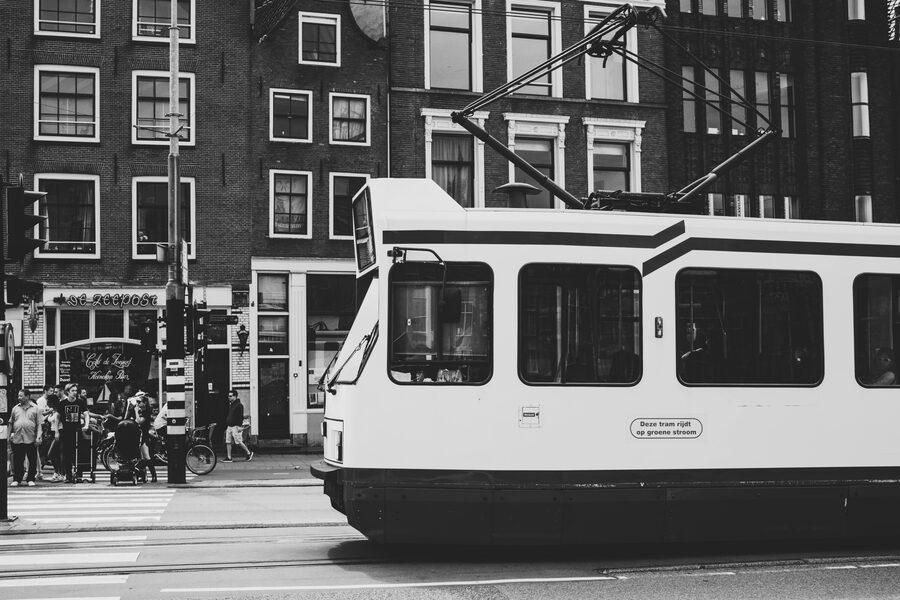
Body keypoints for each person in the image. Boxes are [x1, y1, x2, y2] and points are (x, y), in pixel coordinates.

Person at [9, 390, 42, 487]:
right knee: (18, 459)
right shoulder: (15, 408)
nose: (19, 398)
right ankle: (17, 479)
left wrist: (39, 436)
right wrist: (8, 436)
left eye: (21, 396)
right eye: (18, 396)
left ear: (27, 396)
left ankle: (31, 479)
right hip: (17, 438)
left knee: (32, 459)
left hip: (31, 437)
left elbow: (39, 424)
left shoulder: (36, 409)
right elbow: (11, 422)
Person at [59, 383, 88, 483]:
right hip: (66, 431)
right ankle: (68, 475)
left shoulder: (80, 402)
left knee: (79, 452)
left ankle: (79, 474)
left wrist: (86, 425)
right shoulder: (63, 403)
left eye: (76, 391)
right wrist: (57, 431)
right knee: (67, 453)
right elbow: (57, 417)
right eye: (73, 391)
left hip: (77, 430)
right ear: (68, 392)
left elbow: (86, 414)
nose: (75, 393)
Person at [224, 389, 252, 462]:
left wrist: (239, 427)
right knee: (228, 441)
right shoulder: (232, 405)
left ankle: (249, 452)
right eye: (228, 396)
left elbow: (240, 417)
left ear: (235, 396)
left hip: (235, 426)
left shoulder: (239, 405)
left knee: (238, 441)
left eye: (230, 396)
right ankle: (229, 457)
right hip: (229, 426)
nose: (228, 397)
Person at [45, 398, 64, 482]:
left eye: (49, 404)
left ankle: (59, 473)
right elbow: (43, 417)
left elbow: (57, 421)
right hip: (52, 433)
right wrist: (48, 412)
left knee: (51, 453)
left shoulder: (58, 412)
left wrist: (57, 433)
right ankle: (57, 473)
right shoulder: (51, 412)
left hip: (58, 432)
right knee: (55, 454)